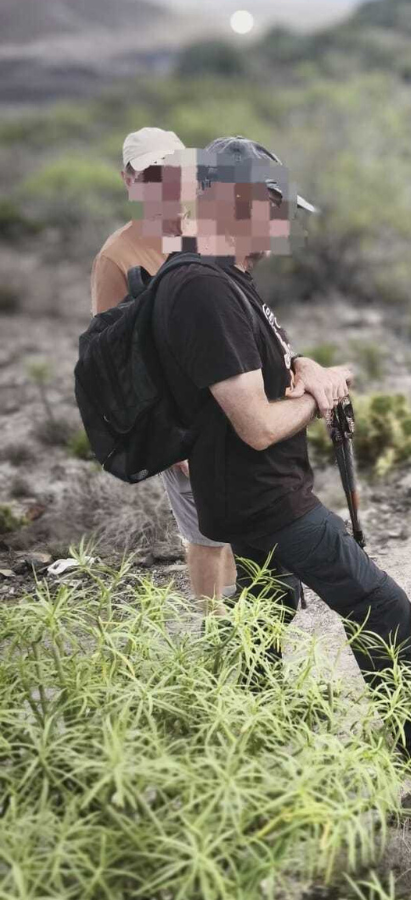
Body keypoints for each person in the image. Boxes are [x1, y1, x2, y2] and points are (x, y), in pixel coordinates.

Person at [152, 135, 411, 772]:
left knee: (267, 600)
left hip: (244, 488)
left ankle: (236, 715)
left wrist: (308, 367)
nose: (283, 225)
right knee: (380, 603)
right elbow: (257, 425)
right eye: (276, 209)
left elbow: (261, 367)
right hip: (261, 492)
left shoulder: (221, 280)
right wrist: (323, 396)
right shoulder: (204, 288)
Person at [92, 127, 236, 604]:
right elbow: (115, 356)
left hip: (237, 394)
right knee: (205, 529)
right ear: (127, 181)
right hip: (181, 413)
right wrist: (168, 437)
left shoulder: (209, 229)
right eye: (148, 174)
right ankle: (216, 633)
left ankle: (248, 620)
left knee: (241, 514)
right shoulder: (118, 256)